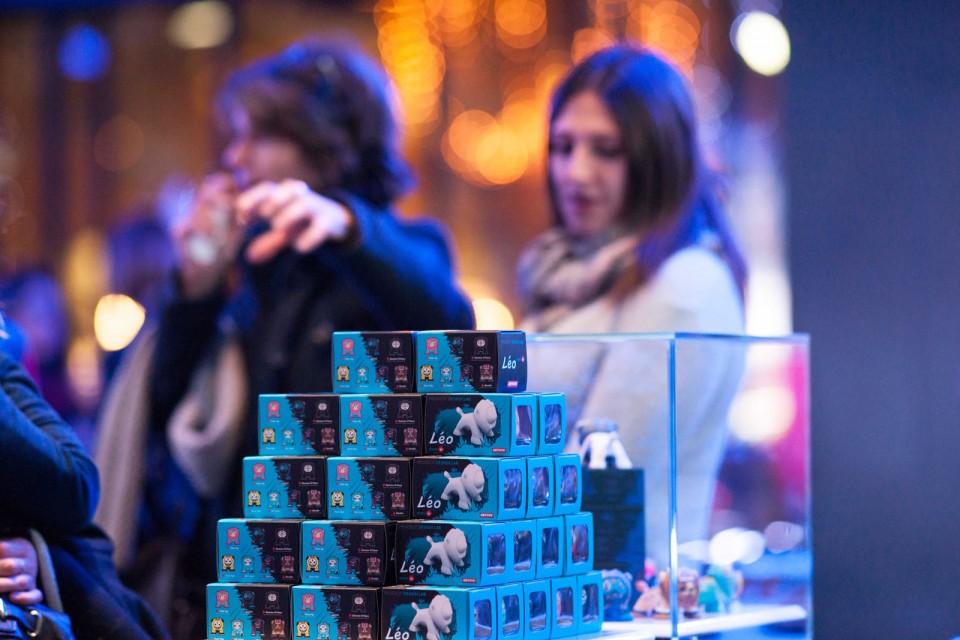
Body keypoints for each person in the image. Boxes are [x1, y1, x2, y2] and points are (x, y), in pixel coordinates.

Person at [94, 35, 474, 639]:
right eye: (235, 137)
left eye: (260, 137)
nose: (235, 157)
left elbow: (452, 323)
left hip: (346, 597)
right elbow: (156, 411)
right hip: (233, 589)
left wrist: (348, 227)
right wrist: (194, 289)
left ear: (328, 146)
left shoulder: (398, 249)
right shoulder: (246, 266)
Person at [516, 44, 747, 565]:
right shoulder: (576, 275)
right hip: (564, 586)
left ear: (657, 159)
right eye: (563, 146)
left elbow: (596, 490)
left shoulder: (681, 285)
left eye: (606, 150)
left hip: (629, 593)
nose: (575, 172)